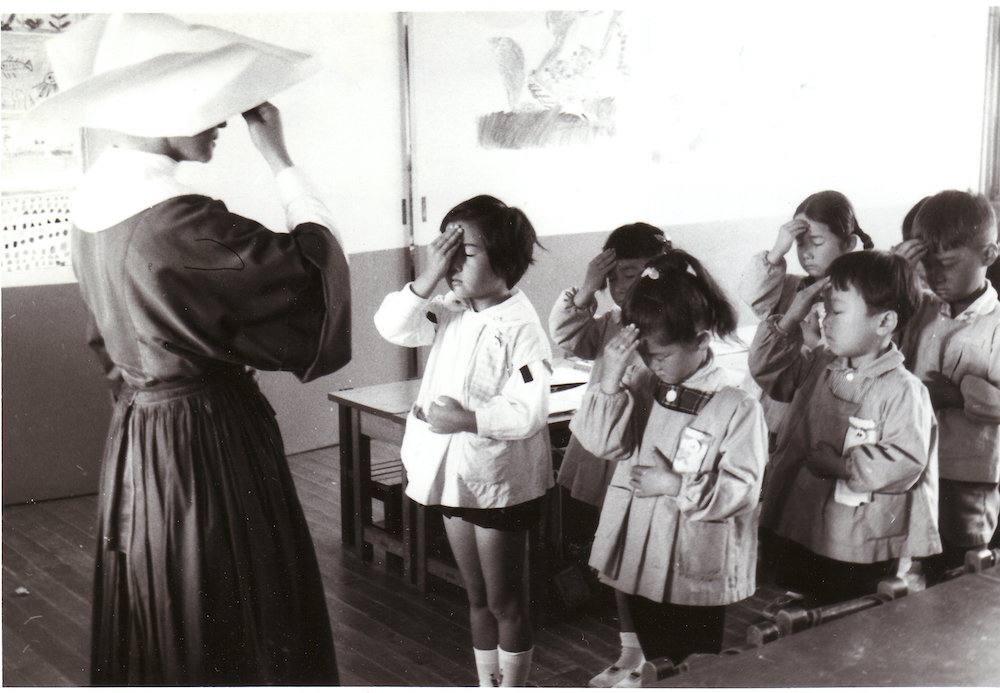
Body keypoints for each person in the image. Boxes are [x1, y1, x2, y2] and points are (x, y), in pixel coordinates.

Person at [22, 14, 349, 685]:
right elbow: (313, 285)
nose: (225, 116)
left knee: (166, 597)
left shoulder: (95, 205)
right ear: (157, 104)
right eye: (208, 97)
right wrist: (283, 162)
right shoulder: (178, 223)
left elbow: (108, 347)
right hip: (208, 445)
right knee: (237, 608)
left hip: (142, 439)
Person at [374, 195, 552, 687]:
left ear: (506, 261)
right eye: (444, 249)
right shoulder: (450, 308)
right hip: (453, 478)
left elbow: (530, 407)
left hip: (497, 483)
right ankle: (486, 684)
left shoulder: (522, 328)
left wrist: (468, 419)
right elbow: (392, 325)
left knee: (504, 602)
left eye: (464, 252)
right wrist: (429, 276)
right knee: (475, 599)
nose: (450, 264)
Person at [571, 249, 767, 679]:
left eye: (661, 356)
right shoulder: (643, 384)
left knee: (695, 664)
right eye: (646, 356)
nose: (653, 365)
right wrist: (609, 380)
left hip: (693, 561)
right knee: (658, 658)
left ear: (700, 339)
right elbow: (601, 443)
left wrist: (676, 485)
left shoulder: (736, 405)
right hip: (642, 554)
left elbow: (742, 489)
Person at [749, 251, 940, 605]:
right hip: (807, 527)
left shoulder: (903, 389)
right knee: (805, 603)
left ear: (884, 323)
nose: (824, 321)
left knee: (847, 613)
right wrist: (791, 318)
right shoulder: (819, 364)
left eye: (836, 311)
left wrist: (842, 466)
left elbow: (905, 461)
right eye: (823, 310)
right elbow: (765, 370)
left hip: (858, 545)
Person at [547, 222, 670, 687]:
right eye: (614, 277)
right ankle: (630, 652)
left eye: (633, 275)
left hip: (650, 455)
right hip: (609, 451)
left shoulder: (672, 323)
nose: (622, 288)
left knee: (648, 553)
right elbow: (567, 336)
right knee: (617, 550)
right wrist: (586, 289)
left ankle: (654, 653)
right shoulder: (613, 322)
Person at [895, 191, 1000, 582]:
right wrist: (898, 273)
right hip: (920, 463)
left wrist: (958, 396)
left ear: (988, 255)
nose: (935, 277)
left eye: (948, 265)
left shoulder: (996, 324)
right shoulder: (919, 309)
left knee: (965, 561)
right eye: (926, 266)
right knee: (921, 557)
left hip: (969, 473)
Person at [740, 191, 874, 447]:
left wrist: (815, 342)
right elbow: (750, 294)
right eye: (800, 244)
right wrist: (777, 251)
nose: (806, 253)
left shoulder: (859, 297)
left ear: (848, 244)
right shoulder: (789, 286)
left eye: (817, 242)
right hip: (764, 414)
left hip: (808, 418)